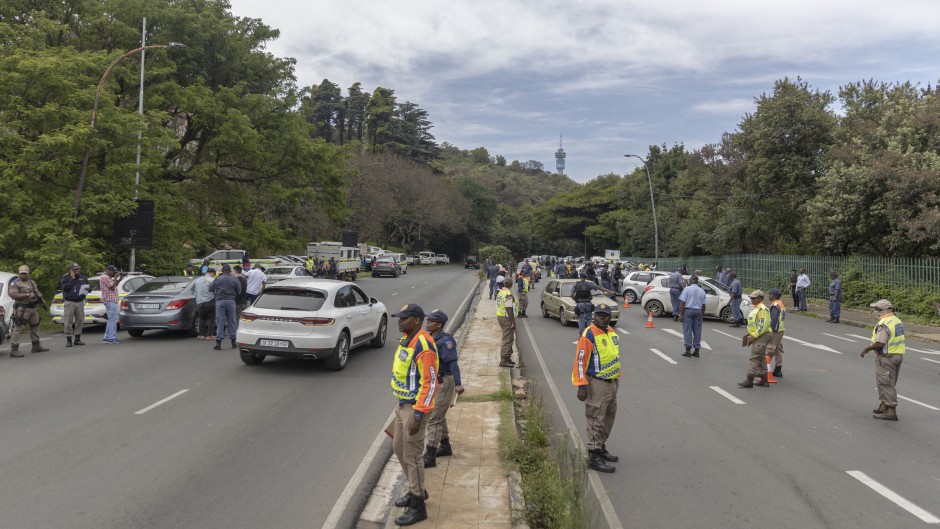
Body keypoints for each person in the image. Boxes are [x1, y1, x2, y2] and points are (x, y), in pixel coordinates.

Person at [389, 304, 438, 526]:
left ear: (416, 320)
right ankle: (416, 488)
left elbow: (430, 382)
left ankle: (418, 505)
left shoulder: (423, 345)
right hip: (402, 405)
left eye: (404, 318)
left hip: (415, 407)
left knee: (413, 456)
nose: (399, 321)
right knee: (398, 448)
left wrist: (418, 415)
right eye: (399, 318)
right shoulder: (407, 338)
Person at [571, 303, 621, 473]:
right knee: (595, 419)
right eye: (598, 314)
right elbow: (580, 361)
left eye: (605, 315)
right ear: (594, 316)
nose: (601, 317)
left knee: (608, 417)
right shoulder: (588, 335)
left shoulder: (611, 332)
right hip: (596, 383)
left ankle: (600, 446)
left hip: (612, 382)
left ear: (610, 317)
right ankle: (593, 454)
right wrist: (581, 386)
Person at [422, 309, 464, 468]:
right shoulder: (432, 338)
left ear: (439, 324)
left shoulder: (445, 341)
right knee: (438, 414)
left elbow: (453, 363)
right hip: (434, 381)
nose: (427, 323)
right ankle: (445, 446)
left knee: (434, 418)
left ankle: (430, 455)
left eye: (431, 321)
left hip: (445, 381)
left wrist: (458, 384)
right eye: (428, 320)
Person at [860, 299, 905, 421]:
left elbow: (880, 343)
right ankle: (884, 406)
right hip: (897, 356)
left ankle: (891, 411)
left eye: (876, 309)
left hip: (886, 358)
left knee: (885, 383)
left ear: (882, 311)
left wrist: (867, 349)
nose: (874, 311)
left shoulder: (883, 323)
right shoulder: (896, 320)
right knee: (889, 381)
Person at [8, 265, 49, 357]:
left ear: (28, 273)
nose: (24, 275)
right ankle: (14, 349)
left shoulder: (32, 282)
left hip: (33, 307)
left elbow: (37, 292)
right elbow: (13, 295)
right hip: (22, 308)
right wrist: (26, 295)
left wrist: (42, 301)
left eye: (25, 273)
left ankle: (36, 345)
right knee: (18, 328)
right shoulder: (15, 283)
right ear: (19, 273)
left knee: (35, 325)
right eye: (22, 273)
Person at [738, 290, 771, 388]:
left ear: (760, 299)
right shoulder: (757, 308)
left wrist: (754, 335)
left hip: (762, 335)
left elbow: (763, 325)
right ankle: (764, 380)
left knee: (754, 357)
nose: (751, 300)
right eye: (751, 298)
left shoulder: (762, 309)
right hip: (760, 334)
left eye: (754, 298)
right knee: (761, 357)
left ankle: (749, 379)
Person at [209, 264, 241, 350]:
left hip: (220, 301)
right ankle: (233, 342)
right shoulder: (235, 279)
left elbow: (210, 288)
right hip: (231, 301)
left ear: (222, 271)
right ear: (230, 270)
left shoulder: (218, 279)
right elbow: (239, 291)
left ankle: (218, 343)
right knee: (232, 321)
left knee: (220, 321)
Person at [60, 262, 89, 347]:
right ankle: (69, 340)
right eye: (75, 269)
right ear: (71, 270)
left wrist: (89, 289)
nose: (77, 270)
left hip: (80, 301)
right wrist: (71, 279)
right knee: (68, 321)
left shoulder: (83, 277)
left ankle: (77, 339)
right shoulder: (65, 278)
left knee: (80, 321)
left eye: (78, 269)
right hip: (70, 302)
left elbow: (87, 288)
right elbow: (65, 288)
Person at [678, 275, 706, 357]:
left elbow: (682, 303)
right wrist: (702, 315)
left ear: (691, 281)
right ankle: (697, 351)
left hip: (688, 311)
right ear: (697, 281)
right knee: (697, 331)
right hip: (698, 311)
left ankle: (688, 350)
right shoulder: (702, 291)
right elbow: (704, 305)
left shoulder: (687, 289)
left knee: (687, 330)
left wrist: (680, 314)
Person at [495, 277, 517, 368]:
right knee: (507, 339)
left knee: (510, 338)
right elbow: (509, 309)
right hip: (506, 318)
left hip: (500, 316)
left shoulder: (500, 292)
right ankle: (503, 360)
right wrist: (513, 322)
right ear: (511, 285)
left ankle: (507, 358)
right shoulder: (508, 294)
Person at [100, 265, 122, 344]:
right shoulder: (105, 277)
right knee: (113, 319)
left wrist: (120, 278)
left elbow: (114, 285)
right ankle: (111, 338)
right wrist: (116, 277)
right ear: (108, 270)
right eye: (113, 272)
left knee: (110, 319)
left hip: (111, 300)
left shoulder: (107, 278)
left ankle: (107, 337)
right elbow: (112, 287)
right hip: (110, 300)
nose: (114, 273)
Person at [767, 288, 786, 378]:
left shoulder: (775, 305)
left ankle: (766, 370)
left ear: (774, 296)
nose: (768, 296)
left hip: (775, 330)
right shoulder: (780, 303)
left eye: (770, 294)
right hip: (781, 329)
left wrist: (769, 329)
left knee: (770, 349)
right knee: (778, 350)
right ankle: (778, 370)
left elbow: (773, 319)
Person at [194, 267, 216, 340]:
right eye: (213, 274)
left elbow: (195, 291)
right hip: (210, 301)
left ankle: (201, 335)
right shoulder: (212, 280)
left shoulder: (198, 280)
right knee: (211, 319)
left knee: (202, 319)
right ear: (212, 273)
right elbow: (215, 290)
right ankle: (209, 335)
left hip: (200, 302)